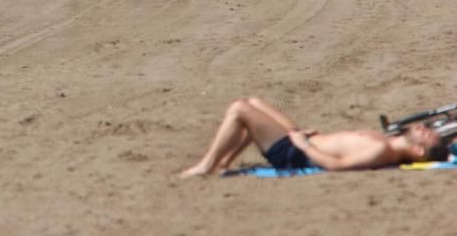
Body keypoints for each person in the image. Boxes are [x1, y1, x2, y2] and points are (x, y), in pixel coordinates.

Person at [179, 96, 447, 177]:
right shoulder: (386, 141)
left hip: (293, 153)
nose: (427, 129)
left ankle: (208, 165)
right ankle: (225, 162)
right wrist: (304, 136)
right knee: (254, 102)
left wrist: (304, 145)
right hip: (301, 140)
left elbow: (336, 166)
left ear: (419, 152)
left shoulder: (383, 152)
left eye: (429, 136)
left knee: (240, 109)